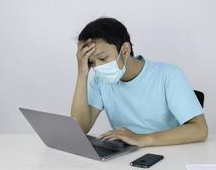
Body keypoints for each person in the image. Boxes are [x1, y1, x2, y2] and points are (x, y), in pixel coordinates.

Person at [71, 17, 208, 147]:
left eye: (103, 58)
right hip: (128, 157)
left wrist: (142, 139)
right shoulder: (99, 81)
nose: (97, 67)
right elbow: (79, 129)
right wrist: (82, 74)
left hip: (170, 153)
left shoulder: (169, 75)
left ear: (125, 50)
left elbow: (200, 129)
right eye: (91, 62)